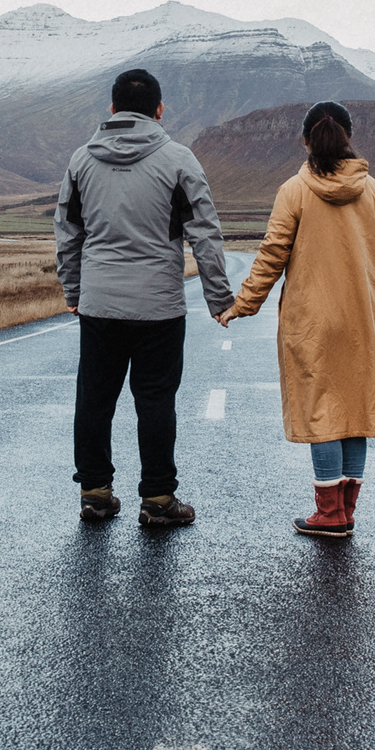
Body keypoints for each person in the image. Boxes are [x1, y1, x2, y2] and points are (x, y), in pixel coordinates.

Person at [55, 67, 235, 527]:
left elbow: (68, 233)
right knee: (155, 401)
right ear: (159, 110)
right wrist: (219, 298)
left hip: (99, 304)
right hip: (158, 307)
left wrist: (73, 289)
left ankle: (95, 494)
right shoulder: (179, 159)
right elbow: (205, 233)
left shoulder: (81, 161)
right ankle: (157, 500)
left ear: (112, 109)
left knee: (94, 399)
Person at [219, 100, 375, 539]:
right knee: (355, 410)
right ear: (349, 137)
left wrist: (243, 303)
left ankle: (329, 514)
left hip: (312, 322)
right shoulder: (373, 191)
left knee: (321, 411)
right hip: (360, 319)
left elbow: (273, 253)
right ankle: (346, 510)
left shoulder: (293, 191)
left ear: (305, 139)